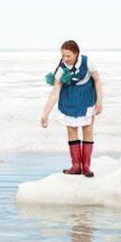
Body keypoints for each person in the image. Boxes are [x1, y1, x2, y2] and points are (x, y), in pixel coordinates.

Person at [40, 40, 103, 176]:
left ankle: (86, 167)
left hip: (86, 99)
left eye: (68, 56)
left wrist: (99, 101)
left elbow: (97, 80)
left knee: (88, 130)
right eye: (63, 55)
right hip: (68, 100)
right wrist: (45, 114)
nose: (65, 59)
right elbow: (55, 91)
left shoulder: (88, 62)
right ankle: (76, 167)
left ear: (76, 54)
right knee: (72, 132)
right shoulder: (61, 69)